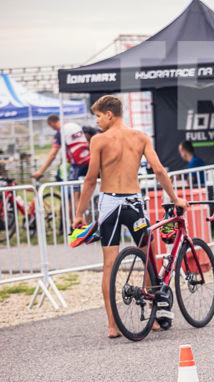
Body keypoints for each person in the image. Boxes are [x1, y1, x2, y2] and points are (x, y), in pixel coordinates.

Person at [72, 95, 188, 339]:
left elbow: (91, 179)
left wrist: (79, 214)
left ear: (109, 114)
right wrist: (175, 198)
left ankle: (112, 326)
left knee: (109, 264)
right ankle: (153, 318)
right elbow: (159, 170)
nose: (97, 121)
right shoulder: (141, 137)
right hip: (134, 203)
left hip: (110, 204)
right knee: (147, 257)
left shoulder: (99, 140)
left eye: (98, 116)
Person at [32, 115, 91, 181]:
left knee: (73, 184)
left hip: (78, 164)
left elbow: (52, 155)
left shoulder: (61, 133)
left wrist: (40, 171)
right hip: (90, 160)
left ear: (51, 123)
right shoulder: (74, 126)